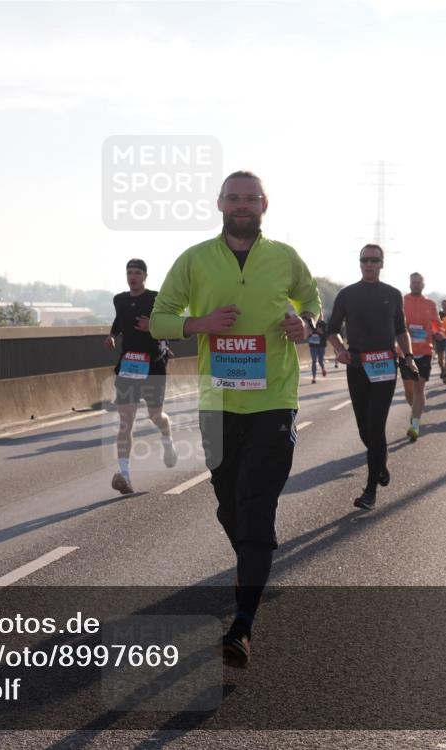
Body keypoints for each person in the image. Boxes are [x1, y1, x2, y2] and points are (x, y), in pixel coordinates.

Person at [150, 170, 321, 669]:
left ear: (264, 204)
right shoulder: (195, 259)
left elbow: (312, 303)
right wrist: (197, 324)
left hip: (273, 401)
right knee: (230, 507)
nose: (242, 205)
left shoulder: (285, 257)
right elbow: (159, 318)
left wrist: (302, 323)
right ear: (220, 203)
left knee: (257, 504)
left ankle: (242, 625)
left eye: (250, 198)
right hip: (217, 403)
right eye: (234, 198)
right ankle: (255, 560)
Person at [328, 245, 417, 510]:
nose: (369, 264)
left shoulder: (392, 295)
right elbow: (332, 331)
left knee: (376, 426)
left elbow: (401, 330)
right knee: (364, 429)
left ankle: (370, 492)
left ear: (381, 263)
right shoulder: (347, 294)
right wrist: (341, 350)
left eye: (373, 260)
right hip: (356, 366)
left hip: (384, 367)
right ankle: (380, 463)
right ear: (359, 263)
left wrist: (409, 356)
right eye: (364, 260)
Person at [105, 258, 177, 494]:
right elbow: (120, 319)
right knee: (126, 422)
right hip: (128, 367)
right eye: (129, 272)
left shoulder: (156, 299)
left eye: (137, 272)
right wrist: (112, 335)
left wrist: (153, 326)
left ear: (145, 276)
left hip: (153, 367)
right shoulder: (120, 299)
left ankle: (167, 438)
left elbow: (172, 326)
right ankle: (124, 475)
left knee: (155, 416)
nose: (132, 276)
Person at [400, 273, 442, 442]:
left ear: (423, 285)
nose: (416, 285)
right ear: (410, 284)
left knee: (419, 388)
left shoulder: (430, 304)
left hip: (424, 351)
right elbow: (395, 322)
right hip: (404, 351)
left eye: (418, 283)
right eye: (413, 282)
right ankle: (415, 412)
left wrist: (437, 332)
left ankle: (415, 424)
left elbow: (437, 324)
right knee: (409, 391)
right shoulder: (402, 301)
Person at [308, 318, 328, 383]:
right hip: (313, 345)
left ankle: (323, 368)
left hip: (321, 345)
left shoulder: (323, 323)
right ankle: (314, 378)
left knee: (320, 360)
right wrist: (309, 333)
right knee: (314, 360)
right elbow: (306, 333)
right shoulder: (310, 322)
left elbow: (327, 335)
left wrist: (321, 332)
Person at [436, 298, 446, 383]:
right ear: (442, 305)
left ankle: (445, 374)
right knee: (440, 359)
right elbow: (434, 325)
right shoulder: (439, 314)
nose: (445, 305)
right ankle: (442, 369)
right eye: (443, 304)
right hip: (439, 338)